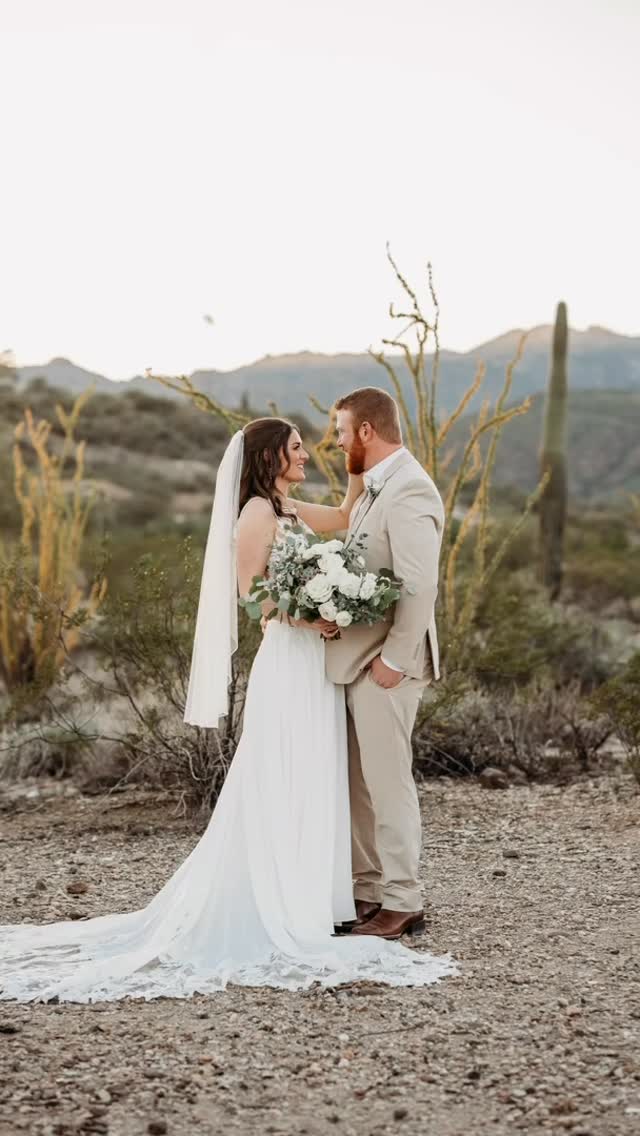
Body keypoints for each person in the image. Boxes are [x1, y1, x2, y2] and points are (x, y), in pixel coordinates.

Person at [0, 415, 456, 1003]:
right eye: (296, 449)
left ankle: (321, 897)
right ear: (269, 457)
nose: (307, 455)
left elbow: (345, 519)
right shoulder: (257, 514)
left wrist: (355, 469)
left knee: (317, 777)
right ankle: (279, 899)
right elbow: (253, 598)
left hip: (315, 670)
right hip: (288, 661)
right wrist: (305, 612)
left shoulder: (289, 508)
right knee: (277, 775)